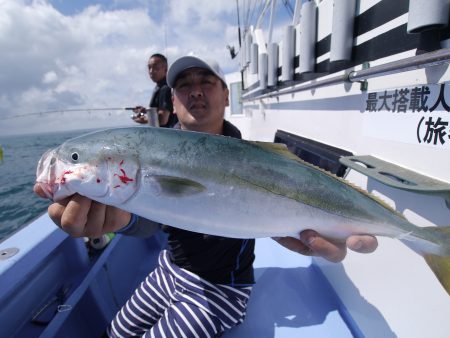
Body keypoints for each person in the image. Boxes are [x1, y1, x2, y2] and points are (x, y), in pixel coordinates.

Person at [33, 55, 377, 337]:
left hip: (222, 291)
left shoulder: (257, 160)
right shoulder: (152, 155)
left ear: (227, 95)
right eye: (183, 85)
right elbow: (150, 216)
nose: (195, 91)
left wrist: (311, 224)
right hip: (167, 271)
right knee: (115, 333)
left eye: (206, 82)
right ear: (173, 101)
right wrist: (122, 219)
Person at [132, 53, 178, 128]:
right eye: (149, 67)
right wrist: (147, 111)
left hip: (166, 135)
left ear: (165, 69)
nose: (151, 71)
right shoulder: (161, 87)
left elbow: (163, 119)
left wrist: (145, 120)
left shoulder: (165, 88)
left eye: (155, 67)